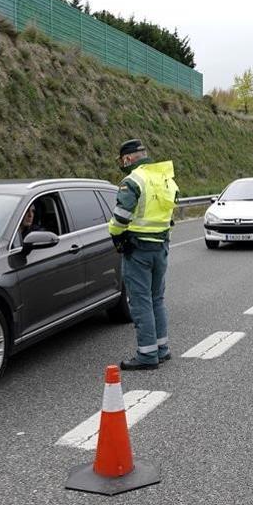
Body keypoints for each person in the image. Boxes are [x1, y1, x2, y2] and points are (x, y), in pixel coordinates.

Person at [108, 139, 179, 371]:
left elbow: (120, 218)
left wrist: (116, 236)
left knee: (140, 302)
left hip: (138, 249)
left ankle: (147, 355)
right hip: (161, 246)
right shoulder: (164, 177)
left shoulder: (133, 180)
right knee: (156, 299)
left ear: (128, 158)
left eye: (122, 160)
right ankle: (162, 348)